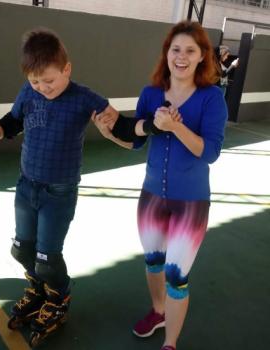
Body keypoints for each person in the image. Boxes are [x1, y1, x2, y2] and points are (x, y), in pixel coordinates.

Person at [0, 28, 117, 345]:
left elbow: (119, 122)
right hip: (26, 185)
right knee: (21, 249)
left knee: (48, 259)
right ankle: (38, 288)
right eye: (36, 82)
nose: (43, 88)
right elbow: (11, 120)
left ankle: (59, 297)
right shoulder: (29, 93)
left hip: (58, 192)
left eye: (49, 80)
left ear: (66, 69)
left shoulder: (83, 97)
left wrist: (135, 127)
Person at [93, 21, 228, 350]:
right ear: (167, 54)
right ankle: (158, 311)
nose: (181, 57)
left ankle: (170, 343)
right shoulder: (151, 94)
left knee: (176, 276)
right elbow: (136, 143)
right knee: (153, 261)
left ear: (201, 57)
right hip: (152, 195)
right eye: (175, 49)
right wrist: (110, 133)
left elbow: (209, 153)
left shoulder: (212, 99)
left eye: (190, 51)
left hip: (191, 202)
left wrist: (174, 127)